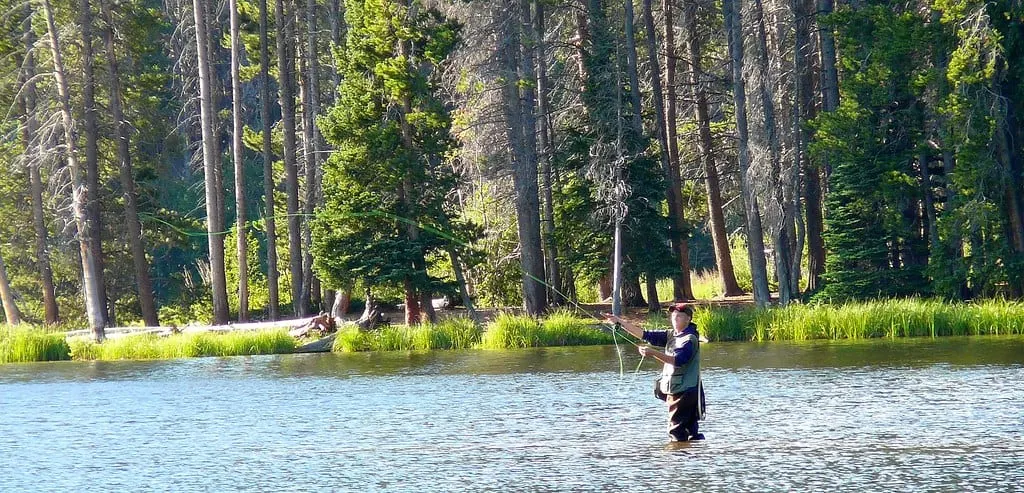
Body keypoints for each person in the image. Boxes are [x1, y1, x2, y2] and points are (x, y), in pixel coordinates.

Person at [605, 302, 705, 442]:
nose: (675, 319)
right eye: (673, 316)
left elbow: (678, 361)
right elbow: (644, 334)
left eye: (679, 316)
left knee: (676, 431)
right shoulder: (672, 335)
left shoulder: (688, 339)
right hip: (680, 390)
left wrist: (653, 353)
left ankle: (678, 460)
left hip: (684, 392)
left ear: (688, 319)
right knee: (690, 432)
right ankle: (694, 459)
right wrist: (619, 322)